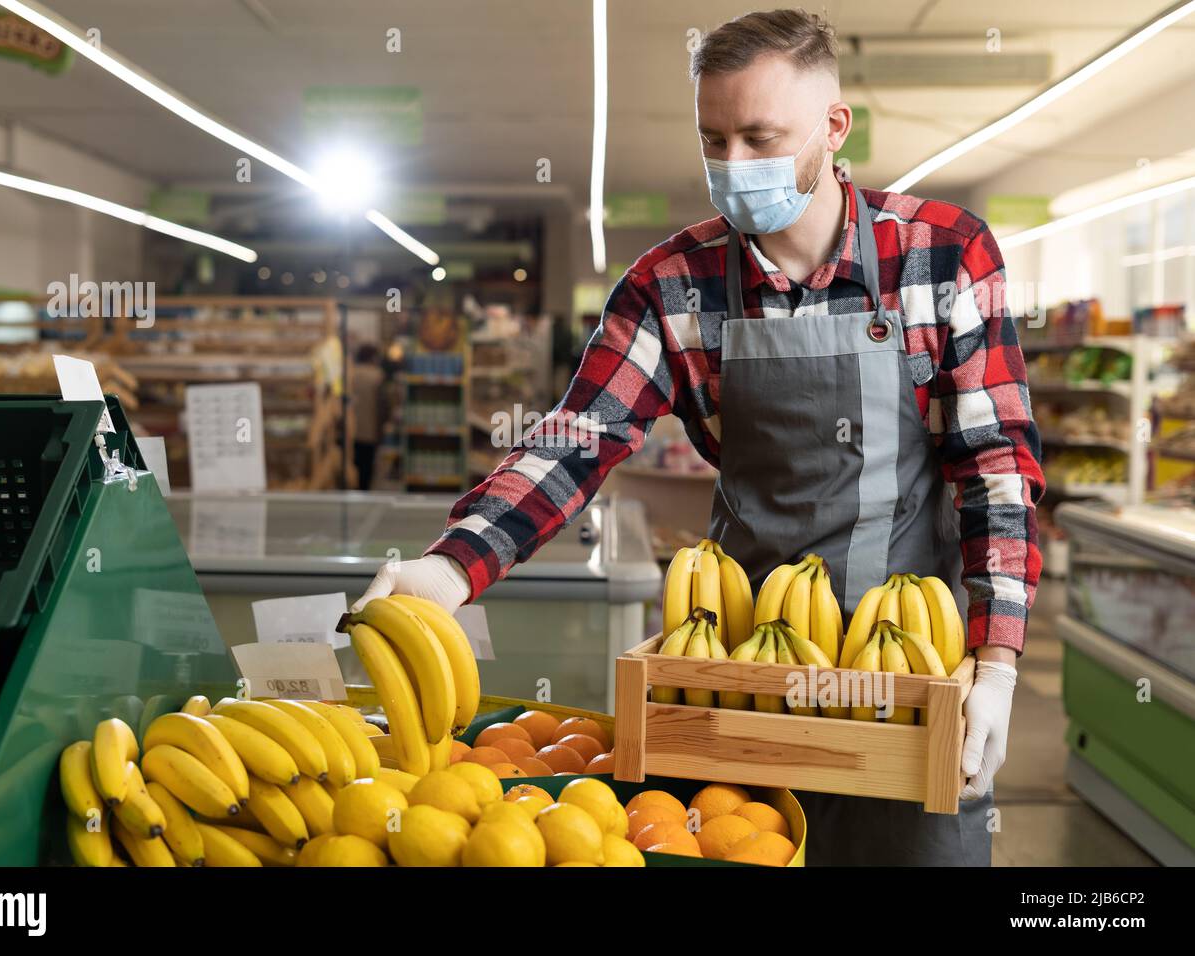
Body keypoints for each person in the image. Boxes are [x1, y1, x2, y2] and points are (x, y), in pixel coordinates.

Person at [355, 8, 1042, 865]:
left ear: (835, 128)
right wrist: (455, 563)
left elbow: (994, 470)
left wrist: (998, 661)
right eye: (713, 141)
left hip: (910, 678)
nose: (734, 166)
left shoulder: (942, 255)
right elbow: (578, 439)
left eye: (760, 137)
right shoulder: (671, 286)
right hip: (731, 672)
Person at [351, 343, 385, 490]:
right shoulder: (378, 376)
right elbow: (383, 407)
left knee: (352, 465)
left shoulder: (349, 374)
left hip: (349, 431)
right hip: (369, 432)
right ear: (373, 358)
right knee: (366, 470)